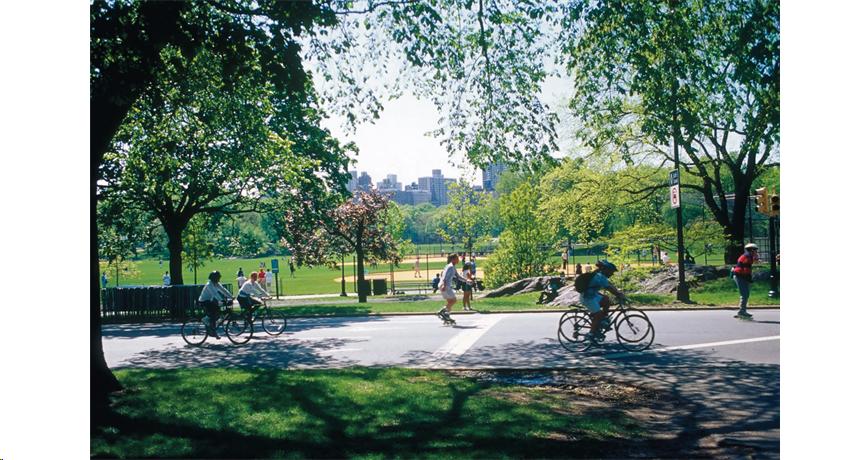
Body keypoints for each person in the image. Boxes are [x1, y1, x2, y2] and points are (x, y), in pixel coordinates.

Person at [581, 261, 627, 341]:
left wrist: (618, 292)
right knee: (598, 314)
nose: (612, 274)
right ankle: (591, 334)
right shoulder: (599, 277)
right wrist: (619, 295)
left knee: (606, 299)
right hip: (587, 298)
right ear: (606, 270)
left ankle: (602, 321)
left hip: (593, 296)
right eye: (611, 272)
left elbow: (610, 285)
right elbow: (609, 288)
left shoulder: (602, 276)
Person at [198, 271, 233, 339]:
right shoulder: (209, 285)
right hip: (203, 301)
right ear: (214, 278)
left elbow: (223, 290)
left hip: (209, 300)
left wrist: (231, 296)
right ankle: (205, 320)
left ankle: (212, 328)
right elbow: (215, 294)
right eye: (218, 277)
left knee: (218, 312)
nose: (219, 279)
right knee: (214, 312)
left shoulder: (216, 283)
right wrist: (222, 300)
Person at [438, 254, 471, 324]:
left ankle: (446, 317)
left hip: (445, 285)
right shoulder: (450, 266)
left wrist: (466, 280)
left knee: (450, 302)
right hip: (445, 286)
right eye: (457, 258)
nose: (458, 259)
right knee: (454, 300)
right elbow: (444, 276)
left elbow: (458, 276)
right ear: (453, 259)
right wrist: (444, 284)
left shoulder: (452, 267)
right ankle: (442, 311)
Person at [732, 243, 759, 319]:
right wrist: (749, 279)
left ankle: (742, 311)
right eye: (755, 250)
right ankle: (741, 312)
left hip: (741, 276)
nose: (756, 251)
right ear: (752, 250)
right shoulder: (747, 257)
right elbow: (745, 270)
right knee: (744, 294)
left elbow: (751, 265)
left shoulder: (748, 256)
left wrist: (755, 258)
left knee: (745, 294)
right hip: (740, 276)